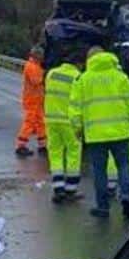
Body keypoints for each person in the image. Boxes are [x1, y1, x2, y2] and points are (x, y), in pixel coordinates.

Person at [70, 47, 129, 219]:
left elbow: (75, 108)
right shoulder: (121, 78)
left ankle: (103, 207)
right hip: (120, 132)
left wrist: (77, 129)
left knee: (99, 171)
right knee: (123, 165)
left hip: (95, 135)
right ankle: (125, 195)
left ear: (89, 59)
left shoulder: (83, 79)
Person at [43, 53, 83, 203]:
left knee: (55, 153)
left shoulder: (51, 74)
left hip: (51, 120)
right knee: (73, 152)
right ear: (78, 64)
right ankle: (71, 189)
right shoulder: (77, 77)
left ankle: (58, 188)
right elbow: (79, 100)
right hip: (69, 121)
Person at [106, 78, 129, 195]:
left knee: (111, 154)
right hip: (127, 127)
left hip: (111, 126)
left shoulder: (110, 85)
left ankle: (111, 184)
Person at [15, 45, 46, 156]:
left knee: (40, 122)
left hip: (36, 99)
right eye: (41, 56)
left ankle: (42, 145)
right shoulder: (32, 66)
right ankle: (21, 146)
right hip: (31, 100)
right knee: (29, 122)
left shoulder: (35, 66)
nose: (42, 58)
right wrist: (45, 75)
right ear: (37, 55)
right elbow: (36, 81)